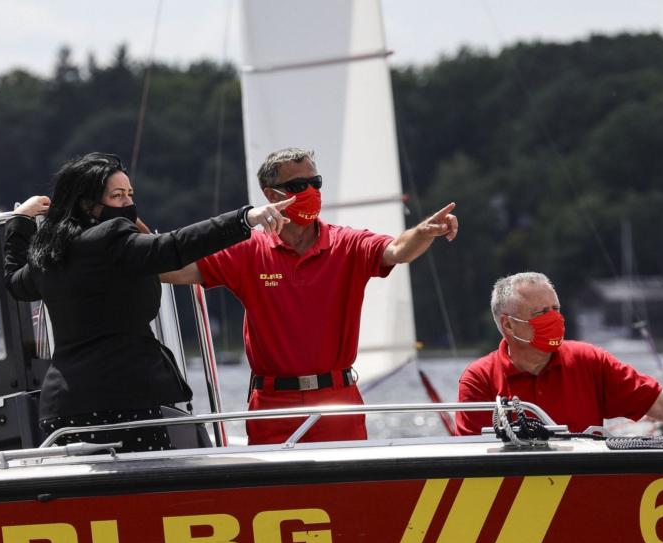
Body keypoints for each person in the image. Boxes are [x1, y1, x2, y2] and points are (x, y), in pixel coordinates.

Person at [161, 147, 458, 445]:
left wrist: (422, 232)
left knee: (346, 490)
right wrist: (130, 244)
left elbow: (397, 250)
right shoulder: (249, 250)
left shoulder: (348, 243)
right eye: (298, 186)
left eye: (316, 183)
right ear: (272, 195)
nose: (311, 191)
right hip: (272, 406)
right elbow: (171, 270)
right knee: (275, 492)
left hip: (338, 403)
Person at [3, 152, 291, 453]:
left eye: (130, 194)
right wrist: (245, 218)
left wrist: (20, 221)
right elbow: (173, 246)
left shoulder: (51, 255)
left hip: (62, 408)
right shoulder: (111, 239)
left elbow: (14, 282)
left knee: (85, 501)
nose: (128, 203)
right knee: (146, 497)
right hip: (124, 402)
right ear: (87, 204)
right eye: (117, 196)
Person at [455, 272, 663, 445]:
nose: (553, 319)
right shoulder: (479, 378)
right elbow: (472, 456)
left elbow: (657, 400)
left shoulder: (589, 360)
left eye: (556, 310)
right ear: (508, 324)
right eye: (541, 313)